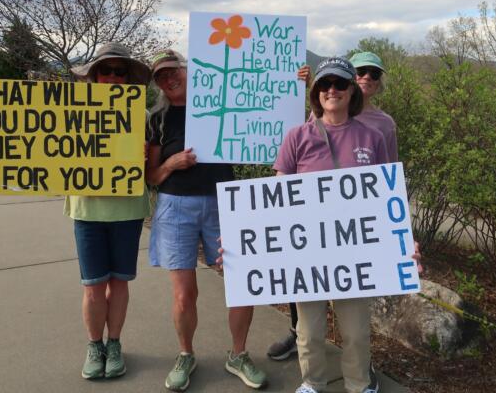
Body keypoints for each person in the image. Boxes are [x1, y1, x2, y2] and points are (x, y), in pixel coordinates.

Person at [273, 57, 421, 393]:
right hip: (308, 250)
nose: (332, 90)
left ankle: (359, 383)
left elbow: (388, 195)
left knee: (355, 331)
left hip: (354, 251)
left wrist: (403, 241)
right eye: (325, 84)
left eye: (340, 84)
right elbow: (276, 199)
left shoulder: (372, 137)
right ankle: (312, 382)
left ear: (351, 91)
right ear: (316, 93)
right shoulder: (297, 137)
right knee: (309, 331)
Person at [146, 49, 267, 392]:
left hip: (224, 203)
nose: (169, 79)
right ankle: (186, 354)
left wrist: (296, 82)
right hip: (175, 208)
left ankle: (238, 354)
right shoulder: (158, 119)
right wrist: (171, 164)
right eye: (161, 76)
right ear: (157, 84)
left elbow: (264, 106)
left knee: (242, 283)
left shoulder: (223, 104)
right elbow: (151, 176)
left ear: (188, 70)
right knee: (184, 294)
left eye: (174, 71)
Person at [67, 42, 152, 380]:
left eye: (120, 71)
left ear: (128, 77)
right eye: (106, 70)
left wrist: (144, 157)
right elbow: (41, 146)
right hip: (87, 209)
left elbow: (154, 168)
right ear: (94, 75)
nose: (113, 77)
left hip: (127, 211)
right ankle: (94, 345)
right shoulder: (72, 111)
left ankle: (113, 343)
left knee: (119, 283)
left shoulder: (142, 116)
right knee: (92, 285)